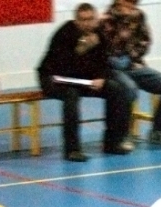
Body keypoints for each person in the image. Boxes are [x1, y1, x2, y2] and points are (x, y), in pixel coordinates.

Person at [37, 2, 132, 162]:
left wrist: (101, 77)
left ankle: (112, 142)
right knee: (71, 95)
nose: (87, 23)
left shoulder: (99, 34)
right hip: (54, 78)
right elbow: (62, 67)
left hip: (83, 80)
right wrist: (82, 48)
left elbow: (103, 60)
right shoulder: (65, 33)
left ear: (96, 19)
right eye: (83, 20)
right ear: (76, 21)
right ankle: (72, 150)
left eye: (90, 19)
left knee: (117, 89)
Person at [101, 0, 161, 147]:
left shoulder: (139, 16)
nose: (130, 6)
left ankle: (160, 131)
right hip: (112, 69)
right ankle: (123, 135)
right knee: (129, 89)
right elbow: (101, 49)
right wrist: (116, 57)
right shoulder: (106, 19)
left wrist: (132, 56)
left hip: (134, 65)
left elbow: (145, 41)